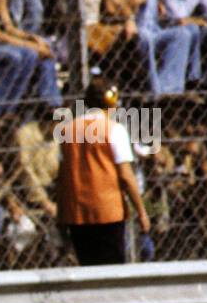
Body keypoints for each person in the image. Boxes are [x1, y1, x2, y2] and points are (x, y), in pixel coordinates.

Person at [56, 77, 151, 266]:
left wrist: (61, 214)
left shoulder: (67, 130)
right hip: (107, 211)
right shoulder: (114, 130)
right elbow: (125, 175)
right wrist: (141, 211)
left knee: (88, 266)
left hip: (77, 213)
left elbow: (62, 175)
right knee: (111, 267)